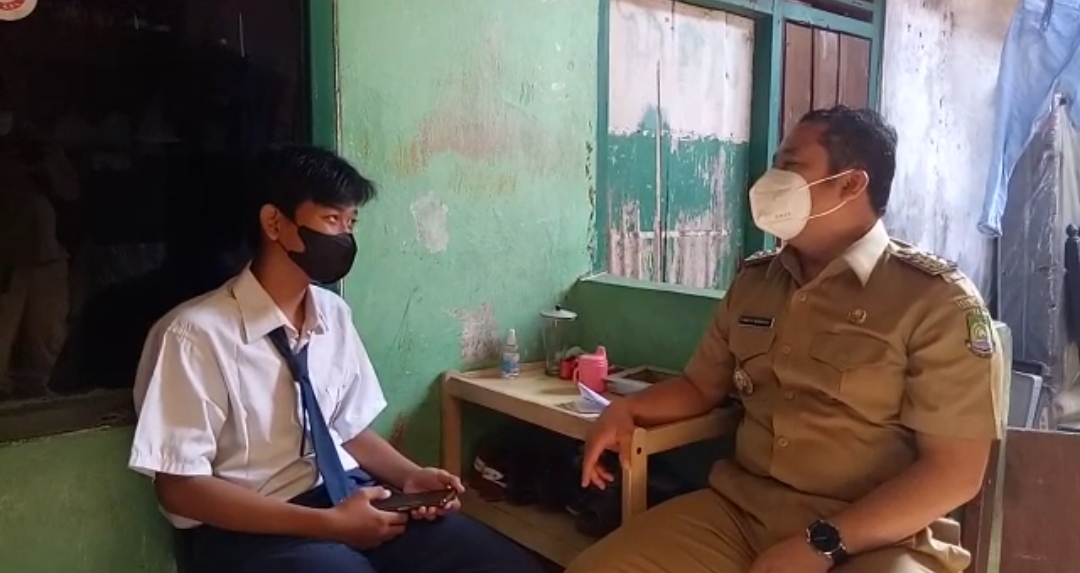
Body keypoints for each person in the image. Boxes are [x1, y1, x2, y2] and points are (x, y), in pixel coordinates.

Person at [566, 106, 1003, 573]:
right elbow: (699, 387)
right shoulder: (757, 282)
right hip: (741, 515)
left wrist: (822, 545)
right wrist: (627, 410)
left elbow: (954, 473)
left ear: (851, 184)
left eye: (790, 166)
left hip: (879, 535)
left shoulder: (935, 302)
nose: (770, 180)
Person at [128, 145, 544, 573]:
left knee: (501, 564)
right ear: (274, 223)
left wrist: (409, 477)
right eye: (331, 219)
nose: (344, 236)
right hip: (251, 528)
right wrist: (329, 525)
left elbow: (348, 429)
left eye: (351, 222)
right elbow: (179, 489)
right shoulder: (195, 335)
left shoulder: (333, 314)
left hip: (347, 495)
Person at [0, 126, 69, 400]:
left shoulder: (44, 156)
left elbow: (70, 192)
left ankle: (37, 390)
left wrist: (45, 164)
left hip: (47, 257)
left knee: (47, 334)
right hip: (8, 262)